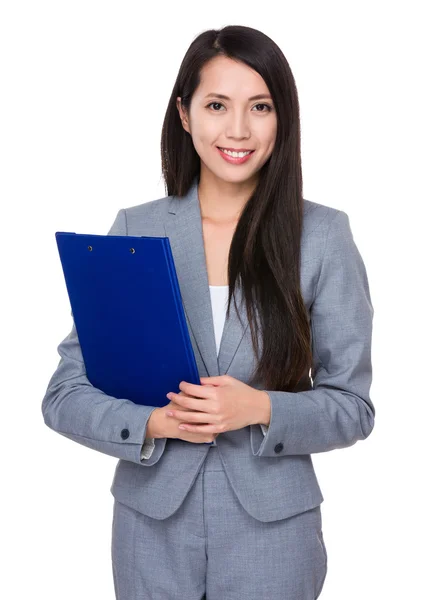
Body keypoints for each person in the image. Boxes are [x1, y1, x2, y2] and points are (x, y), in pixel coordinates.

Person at [41, 24, 375, 600]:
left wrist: (259, 408)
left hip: (274, 533)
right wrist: (152, 423)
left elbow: (353, 407)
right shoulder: (136, 228)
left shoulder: (322, 236)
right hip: (150, 529)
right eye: (217, 105)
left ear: (283, 118)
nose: (238, 130)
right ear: (185, 114)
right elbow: (65, 394)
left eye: (261, 106)